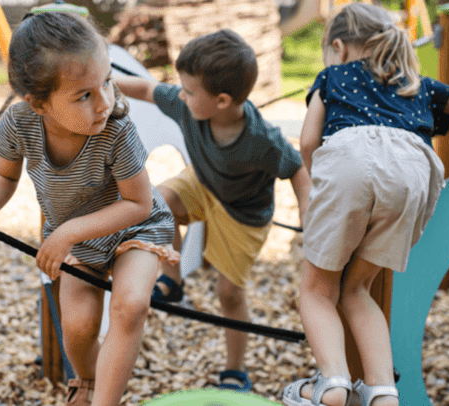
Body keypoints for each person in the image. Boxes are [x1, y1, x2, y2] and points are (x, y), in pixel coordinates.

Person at [0, 11, 178, 406]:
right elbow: (4, 177)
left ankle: (105, 400)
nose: (104, 101)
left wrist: (66, 232)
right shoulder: (20, 123)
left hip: (135, 229)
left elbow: (138, 203)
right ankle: (85, 382)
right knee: (78, 325)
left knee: (131, 305)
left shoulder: (117, 128)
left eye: (106, 82)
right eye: (84, 95)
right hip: (79, 243)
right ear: (38, 103)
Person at [281, 3, 449, 406]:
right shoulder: (419, 84)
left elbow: (309, 142)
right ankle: (382, 391)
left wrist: (324, 192)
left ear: (338, 47)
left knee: (317, 289)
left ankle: (332, 383)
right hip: (414, 171)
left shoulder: (333, 76)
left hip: (350, 159)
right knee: (358, 288)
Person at [115, 29, 311, 392]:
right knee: (156, 203)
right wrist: (104, 81)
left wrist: (307, 215)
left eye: (189, 91)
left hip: (243, 214)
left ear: (222, 101)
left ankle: (235, 369)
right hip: (204, 182)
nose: (181, 95)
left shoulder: (262, 140)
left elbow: (297, 169)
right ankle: (171, 281)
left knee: (228, 294)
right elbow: (145, 89)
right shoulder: (188, 104)